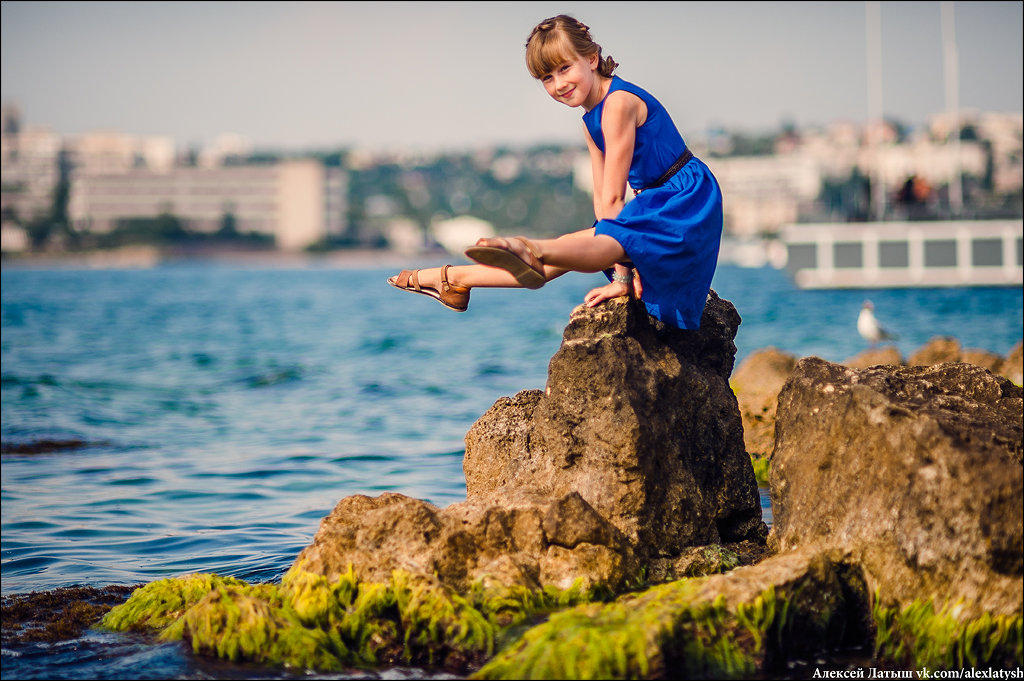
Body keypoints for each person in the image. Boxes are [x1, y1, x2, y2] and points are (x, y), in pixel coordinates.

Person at [388, 14, 724, 330]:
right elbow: (601, 202)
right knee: (561, 255)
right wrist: (622, 267)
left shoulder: (618, 104)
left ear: (591, 59)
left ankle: (528, 247)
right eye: (547, 78)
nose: (558, 83)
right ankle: (455, 279)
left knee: (580, 248)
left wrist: (621, 277)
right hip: (655, 200)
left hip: (684, 199)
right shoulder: (590, 122)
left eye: (565, 68)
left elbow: (613, 197)